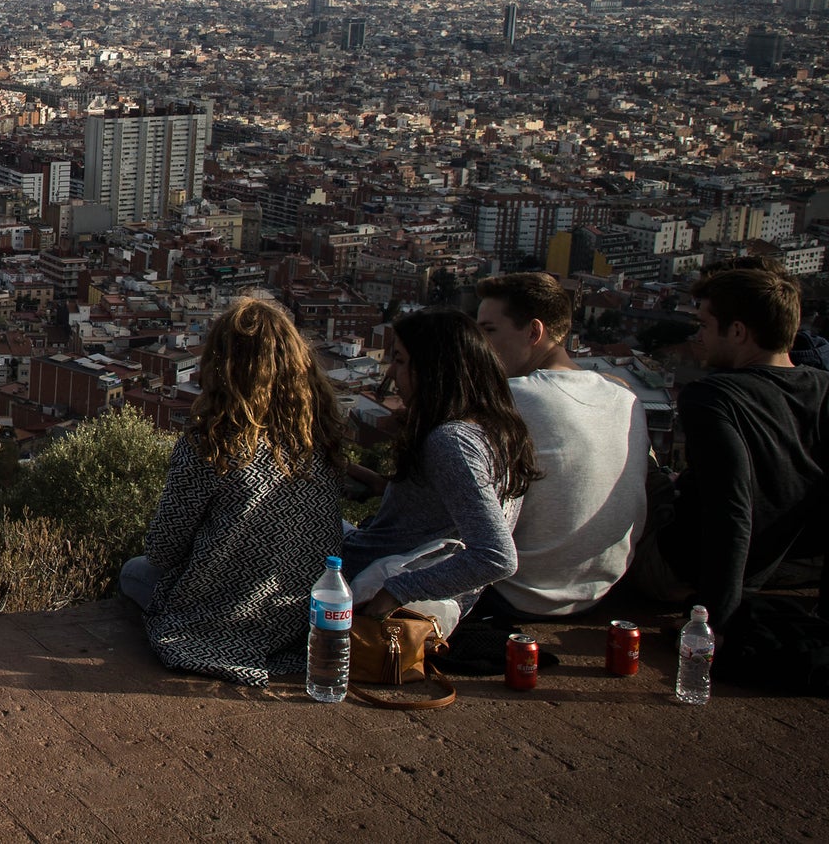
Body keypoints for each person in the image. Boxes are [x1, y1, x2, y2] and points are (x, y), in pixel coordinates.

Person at [118, 297, 346, 686]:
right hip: (301, 619)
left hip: (224, 617)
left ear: (220, 365)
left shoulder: (214, 443)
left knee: (135, 571)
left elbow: (162, 550)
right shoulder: (320, 437)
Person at [642, 263, 829, 630]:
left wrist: (714, 623)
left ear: (739, 331)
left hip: (686, 571)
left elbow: (731, 508)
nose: (699, 337)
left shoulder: (713, 397)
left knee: (642, 460)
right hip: (787, 564)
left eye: (706, 326)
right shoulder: (824, 386)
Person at [343, 308, 538, 621]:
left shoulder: (451, 441)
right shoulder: (498, 431)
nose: (390, 372)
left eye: (401, 360)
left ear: (434, 371)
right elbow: (426, 511)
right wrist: (352, 470)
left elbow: (496, 556)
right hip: (392, 568)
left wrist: (396, 591)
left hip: (364, 579)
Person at [474, 273, 649, 617]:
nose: (479, 343)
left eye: (489, 330)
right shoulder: (626, 398)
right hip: (602, 592)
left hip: (518, 596)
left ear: (534, 332)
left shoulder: (513, 396)